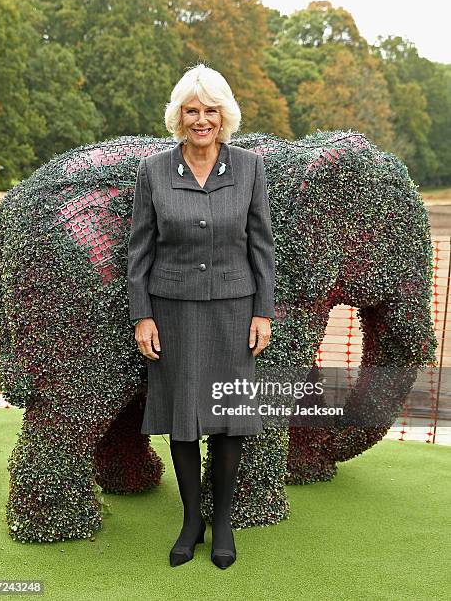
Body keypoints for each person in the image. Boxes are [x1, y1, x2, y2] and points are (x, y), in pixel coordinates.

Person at [127, 63, 275, 569]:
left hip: (235, 312)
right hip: (172, 312)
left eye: (210, 110)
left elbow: (262, 247)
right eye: (192, 110)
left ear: (223, 115)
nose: (201, 119)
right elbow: (139, 252)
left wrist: (263, 312)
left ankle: (225, 521)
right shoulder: (153, 172)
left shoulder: (251, 167)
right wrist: (142, 317)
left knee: (229, 420)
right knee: (184, 418)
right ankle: (192, 520)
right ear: (179, 116)